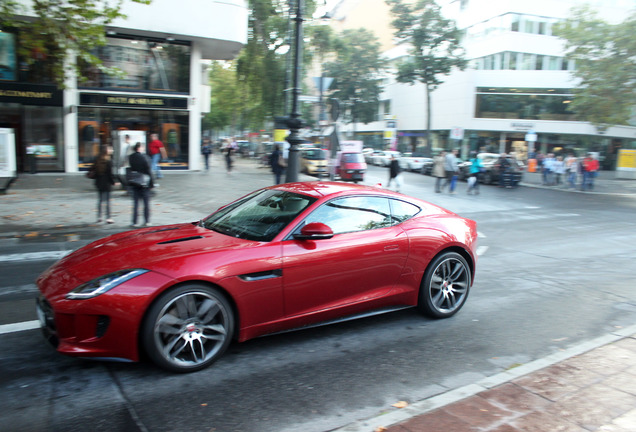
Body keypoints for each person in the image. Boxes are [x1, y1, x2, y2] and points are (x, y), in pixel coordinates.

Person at [128, 142, 154, 227]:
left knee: (135, 203)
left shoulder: (131, 157)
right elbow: (148, 171)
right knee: (146, 203)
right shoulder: (144, 157)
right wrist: (151, 184)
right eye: (142, 147)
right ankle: (147, 220)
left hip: (135, 181)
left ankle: (135, 221)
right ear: (139, 148)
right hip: (144, 182)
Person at [93, 145, 117, 224]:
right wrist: (113, 182)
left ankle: (99, 217)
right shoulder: (109, 161)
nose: (111, 150)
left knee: (100, 200)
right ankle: (108, 217)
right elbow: (110, 174)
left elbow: (93, 169)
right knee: (107, 201)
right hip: (106, 183)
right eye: (110, 149)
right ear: (106, 151)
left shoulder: (97, 159)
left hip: (99, 182)